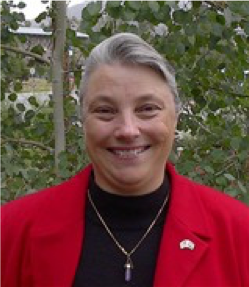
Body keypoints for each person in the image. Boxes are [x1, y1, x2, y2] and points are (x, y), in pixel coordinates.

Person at [1, 33, 249, 287]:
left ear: (175, 117)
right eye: (105, 111)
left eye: (147, 109)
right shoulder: (10, 233)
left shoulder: (240, 234)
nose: (128, 130)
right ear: (83, 121)